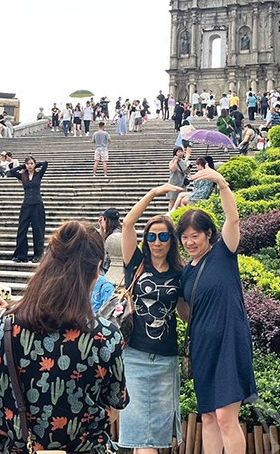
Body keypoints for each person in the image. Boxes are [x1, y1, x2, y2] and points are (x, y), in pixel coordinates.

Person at [0, 221, 128, 452]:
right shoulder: (106, 336)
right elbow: (114, 405)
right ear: (97, 269)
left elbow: (0, 382)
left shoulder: (6, 324)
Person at [179, 170, 256, 454]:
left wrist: (221, 183)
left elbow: (233, 219)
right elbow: (188, 314)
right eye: (185, 237)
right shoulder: (185, 272)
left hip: (229, 342)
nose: (190, 242)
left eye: (195, 236)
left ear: (208, 234)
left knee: (225, 417)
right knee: (208, 417)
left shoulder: (224, 253)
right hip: (203, 346)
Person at [119, 185, 186, 453]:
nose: (157, 242)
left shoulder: (180, 272)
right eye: (151, 236)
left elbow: (185, 314)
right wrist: (153, 194)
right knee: (139, 431)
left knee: (153, 434)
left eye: (163, 236)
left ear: (172, 240)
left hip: (166, 358)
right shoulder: (135, 263)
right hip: (134, 354)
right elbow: (127, 224)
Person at [9, 156, 48, 263]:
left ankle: (38, 255)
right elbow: (11, 171)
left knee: (38, 230)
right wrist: (23, 167)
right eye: (28, 164)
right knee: (22, 230)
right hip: (26, 205)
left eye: (31, 163)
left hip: (37, 205)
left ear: (34, 164)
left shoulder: (38, 174)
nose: (29, 166)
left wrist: (36, 166)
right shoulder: (23, 176)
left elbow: (45, 164)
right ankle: (21, 255)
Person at [99, 207, 122, 277]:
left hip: (110, 270)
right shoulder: (120, 231)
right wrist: (102, 229)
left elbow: (105, 263)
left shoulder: (113, 237)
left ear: (106, 220)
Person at [167, 147, 189, 212]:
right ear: (175, 153)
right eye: (178, 152)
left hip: (182, 183)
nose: (180, 153)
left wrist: (188, 170)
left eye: (181, 151)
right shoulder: (172, 162)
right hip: (174, 183)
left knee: (182, 200)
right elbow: (173, 169)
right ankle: (170, 213)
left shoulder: (184, 162)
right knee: (172, 200)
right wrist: (175, 161)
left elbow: (185, 172)